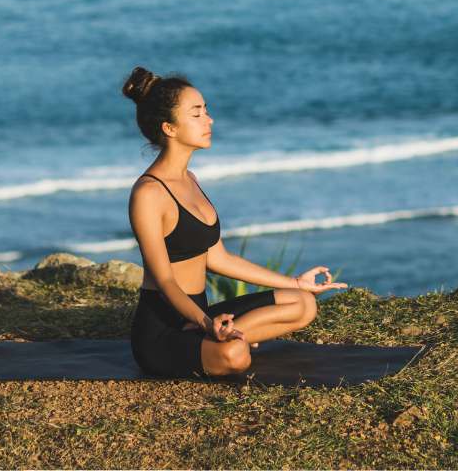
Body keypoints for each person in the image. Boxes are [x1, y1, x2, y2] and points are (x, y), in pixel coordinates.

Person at [122, 66, 346, 377]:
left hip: (199, 318)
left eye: (206, 111)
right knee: (235, 356)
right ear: (170, 128)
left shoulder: (190, 179)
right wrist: (205, 323)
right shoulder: (148, 194)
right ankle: (224, 340)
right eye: (197, 113)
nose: (209, 120)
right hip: (164, 330)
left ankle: (224, 335)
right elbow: (165, 281)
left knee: (303, 303)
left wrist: (294, 282)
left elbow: (219, 258)